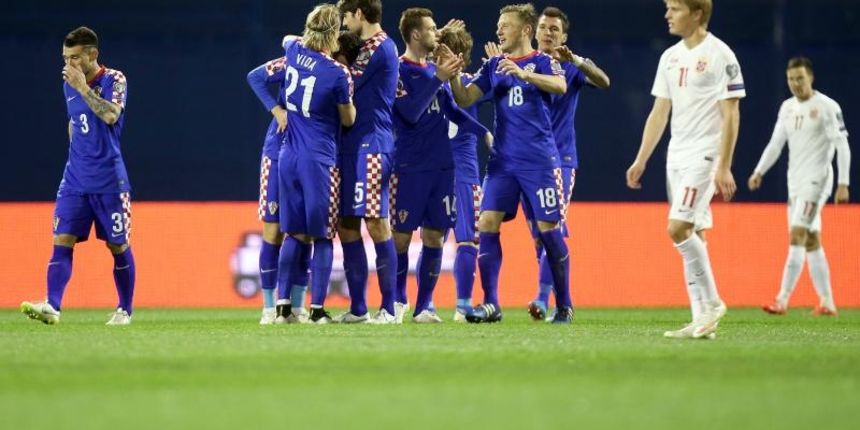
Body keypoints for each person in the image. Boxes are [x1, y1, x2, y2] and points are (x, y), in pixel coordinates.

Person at [626, 0, 745, 339]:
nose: (667, 15)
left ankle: (712, 303)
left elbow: (731, 114)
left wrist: (724, 166)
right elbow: (659, 112)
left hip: (705, 156)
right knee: (696, 234)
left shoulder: (721, 54)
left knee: (678, 228)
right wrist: (642, 158)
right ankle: (701, 321)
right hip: (676, 157)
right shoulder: (670, 57)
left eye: (675, 8)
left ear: (697, 14)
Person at [449, 3, 572, 324]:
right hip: (502, 163)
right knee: (486, 224)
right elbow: (465, 99)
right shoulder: (493, 66)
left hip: (539, 163)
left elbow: (560, 86)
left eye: (506, 25)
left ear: (525, 30)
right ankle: (491, 303)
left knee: (547, 231)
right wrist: (450, 77)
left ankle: (564, 304)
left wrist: (524, 73)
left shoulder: (544, 61)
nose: (499, 30)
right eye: (498, 24)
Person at [21, 27, 136, 325]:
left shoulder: (114, 79)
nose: (68, 64)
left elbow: (111, 115)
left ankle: (124, 310)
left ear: (92, 54)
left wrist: (84, 88)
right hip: (74, 179)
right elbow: (74, 124)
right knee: (62, 238)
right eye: (65, 58)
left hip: (110, 180)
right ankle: (52, 306)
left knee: (118, 245)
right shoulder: (68, 84)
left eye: (74, 58)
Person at [389, 8, 491, 323]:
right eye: (433, 29)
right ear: (417, 34)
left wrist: (483, 131)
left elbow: (452, 109)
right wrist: (438, 78)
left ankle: (424, 307)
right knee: (401, 239)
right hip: (408, 166)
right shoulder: (398, 70)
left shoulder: (437, 72)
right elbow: (409, 112)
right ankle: (394, 301)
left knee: (434, 237)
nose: (439, 33)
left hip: (442, 169)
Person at [520, 6, 611, 321]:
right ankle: (563, 305)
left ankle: (545, 299)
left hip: (560, 159)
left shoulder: (570, 69)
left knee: (552, 229)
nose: (548, 33)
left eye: (554, 29)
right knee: (539, 237)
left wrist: (577, 60)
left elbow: (604, 81)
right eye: (544, 27)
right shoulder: (525, 65)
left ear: (564, 36)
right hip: (527, 162)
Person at [749, 56, 850, 317]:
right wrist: (759, 170)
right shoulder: (787, 108)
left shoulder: (827, 106)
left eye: (800, 78)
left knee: (796, 235)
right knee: (811, 240)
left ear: (811, 78)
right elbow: (775, 143)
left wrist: (843, 183)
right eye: (791, 79)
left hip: (817, 181)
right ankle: (827, 301)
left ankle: (781, 299)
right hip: (795, 182)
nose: (795, 84)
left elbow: (842, 145)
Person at [277, 4, 356, 324]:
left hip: (288, 157)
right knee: (323, 235)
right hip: (319, 160)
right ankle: (317, 309)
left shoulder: (294, 49)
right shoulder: (338, 73)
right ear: (334, 33)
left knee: (293, 234)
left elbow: (288, 38)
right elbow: (348, 118)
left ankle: (282, 309)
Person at [334, 0, 399, 323]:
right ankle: (358, 308)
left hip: (372, 144)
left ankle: (389, 308)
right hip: (346, 145)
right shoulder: (362, 46)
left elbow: (344, 79)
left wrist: (317, 55)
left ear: (359, 14)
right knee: (346, 225)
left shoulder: (382, 47)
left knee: (376, 222)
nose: (344, 24)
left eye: (345, 16)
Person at [247, 51, 311, 324]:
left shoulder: (335, 65)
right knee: (272, 230)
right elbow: (256, 76)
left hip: (309, 155)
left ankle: (297, 306)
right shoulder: (294, 60)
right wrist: (276, 109)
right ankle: (269, 307)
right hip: (277, 151)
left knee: (305, 232)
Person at [437, 26, 486, 322]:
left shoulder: (427, 82)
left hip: (435, 171)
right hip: (464, 172)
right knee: (467, 240)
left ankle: (422, 305)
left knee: (432, 239)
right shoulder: (472, 86)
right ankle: (463, 306)